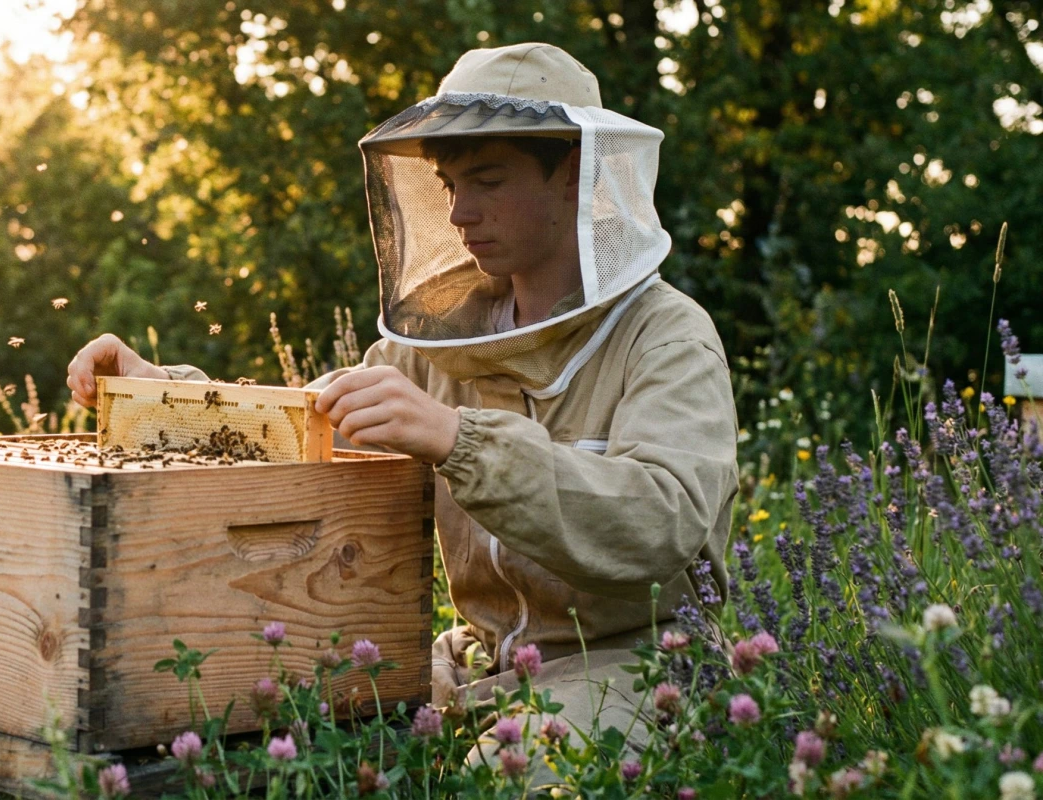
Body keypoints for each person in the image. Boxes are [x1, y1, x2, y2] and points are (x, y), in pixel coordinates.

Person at [67, 43, 738, 785]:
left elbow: (666, 521)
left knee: (512, 778)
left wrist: (459, 440)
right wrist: (159, 389)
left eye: (487, 180)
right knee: (296, 758)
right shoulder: (440, 341)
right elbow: (293, 429)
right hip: (473, 663)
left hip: (636, 666)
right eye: (449, 184)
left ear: (574, 172)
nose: (459, 212)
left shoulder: (666, 336)